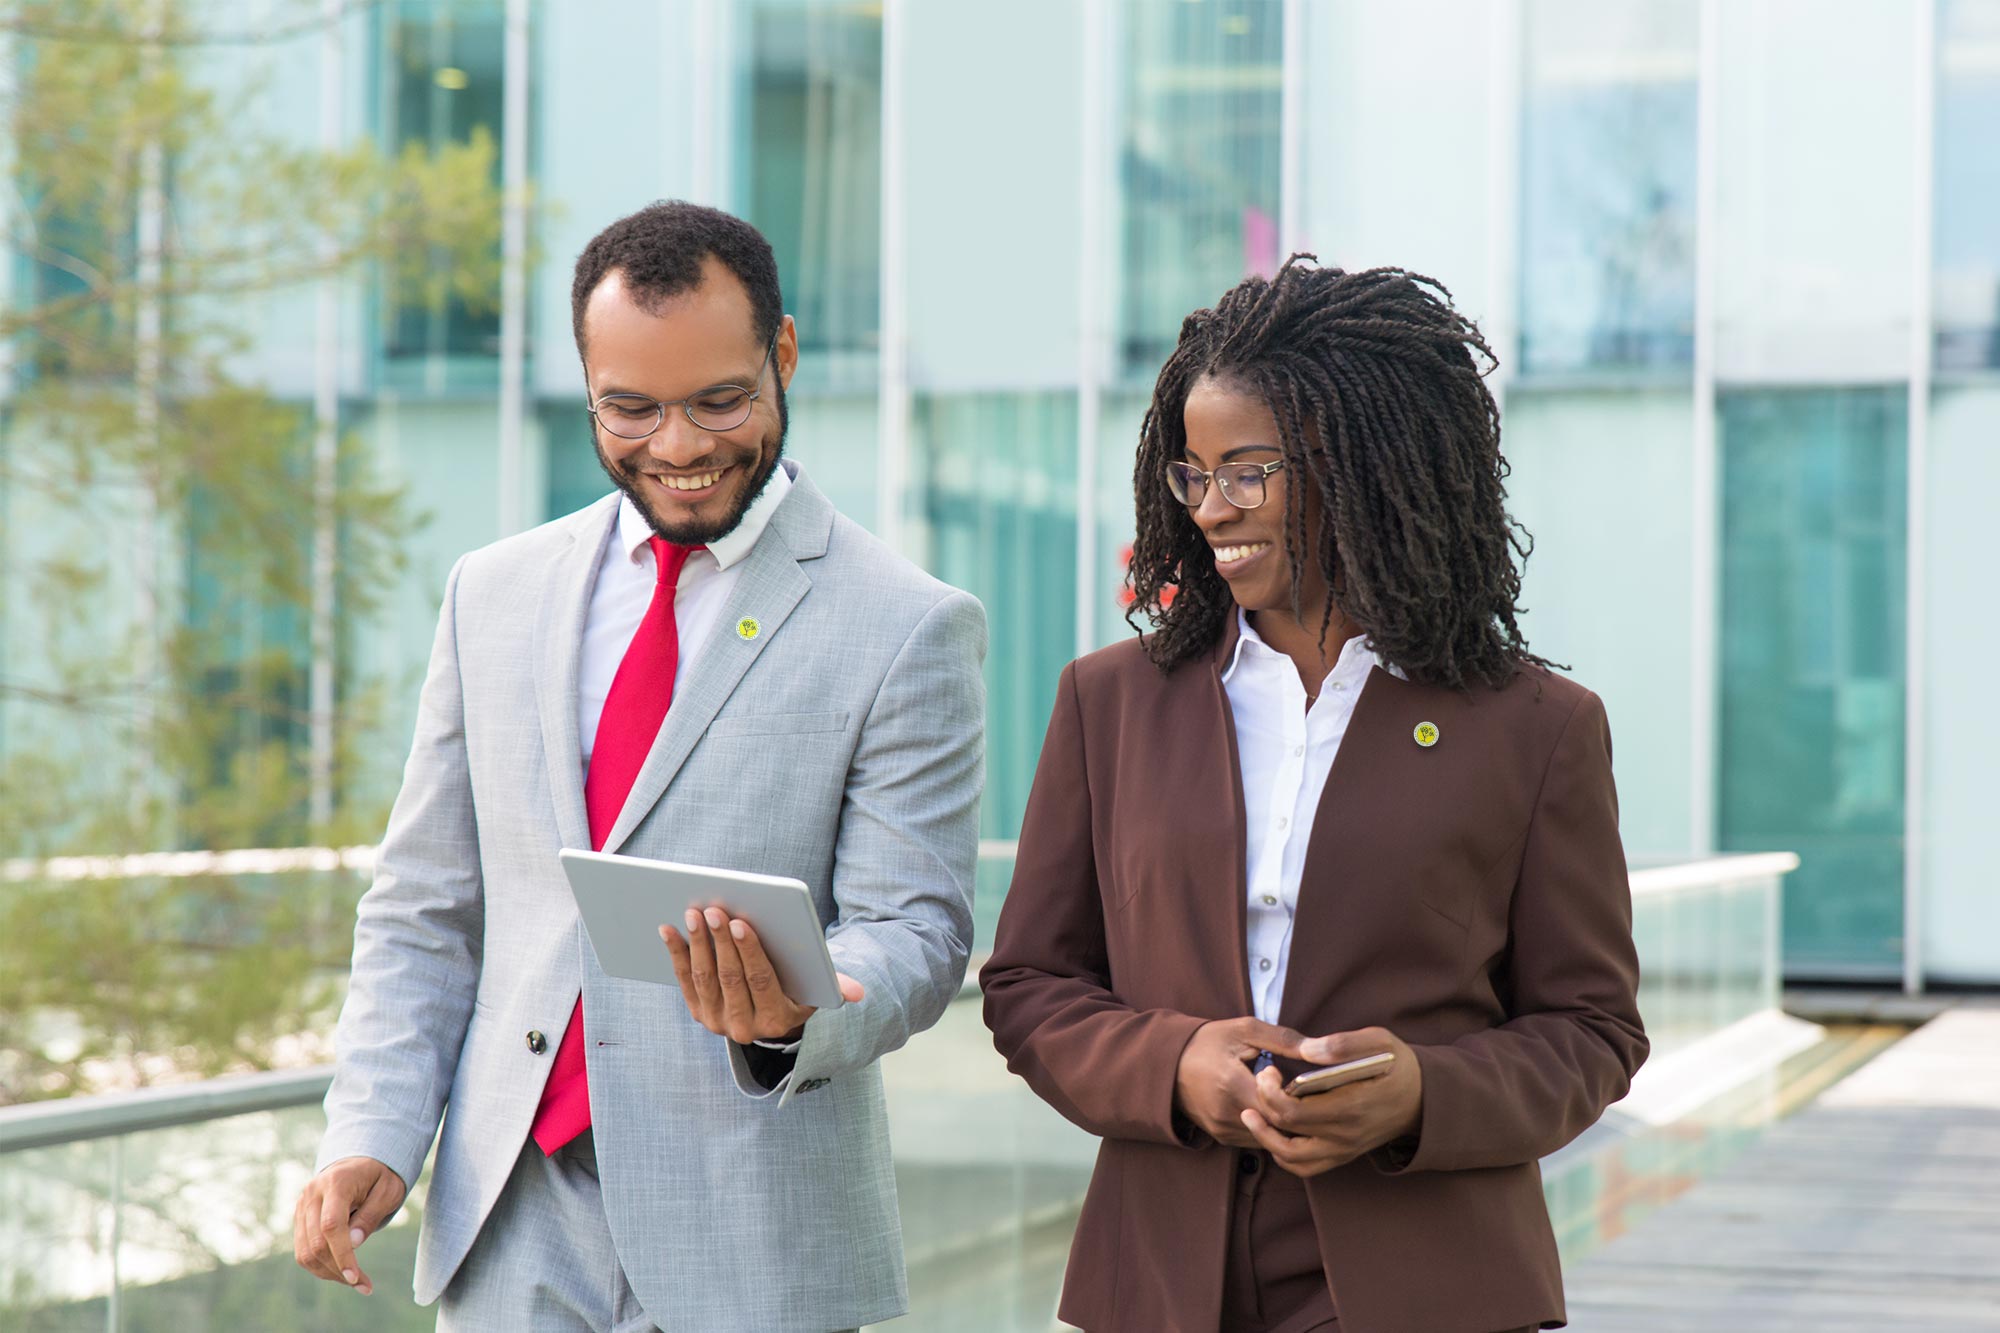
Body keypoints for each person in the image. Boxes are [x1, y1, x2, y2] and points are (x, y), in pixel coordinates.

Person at [291, 201, 986, 1333]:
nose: (678, 446)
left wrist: (799, 1007)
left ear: (785, 356)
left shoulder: (906, 624)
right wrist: (372, 1129)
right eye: (632, 408)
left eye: (720, 400)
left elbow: (913, 926)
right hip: (512, 1221)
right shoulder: (493, 592)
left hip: (752, 1237)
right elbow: (427, 904)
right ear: (586, 387)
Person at [981, 258, 1647, 1333]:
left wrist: (1424, 1091)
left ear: (1362, 461)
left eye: (1245, 470)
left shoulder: (1534, 728)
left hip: (1430, 1288)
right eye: (1188, 474)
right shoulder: (1107, 703)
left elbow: (1590, 1028)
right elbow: (1027, 983)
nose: (1209, 508)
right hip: (1156, 1283)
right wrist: (1175, 1063)